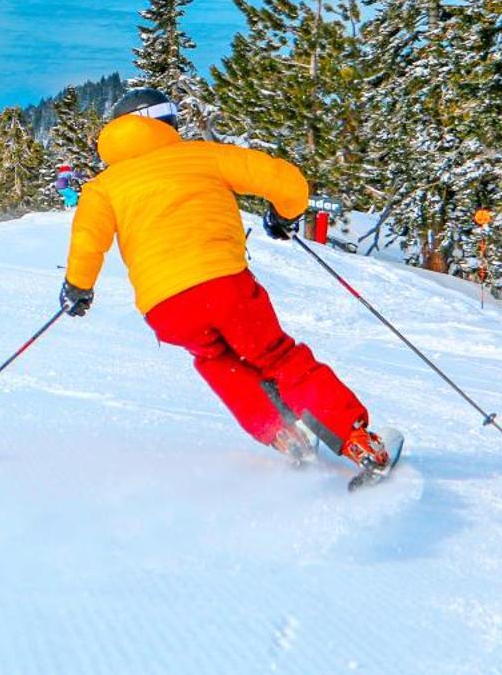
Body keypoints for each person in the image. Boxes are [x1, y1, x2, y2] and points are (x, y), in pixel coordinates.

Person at [57, 88, 390, 470]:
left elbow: (87, 242)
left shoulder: (105, 186)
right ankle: (354, 439)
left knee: (215, 359)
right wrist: (284, 214)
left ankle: (281, 434)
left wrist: (78, 288)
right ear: (159, 121)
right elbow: (286, 181)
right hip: (223, 286)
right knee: (277, 356)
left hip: (166, 308)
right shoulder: (201, 156)